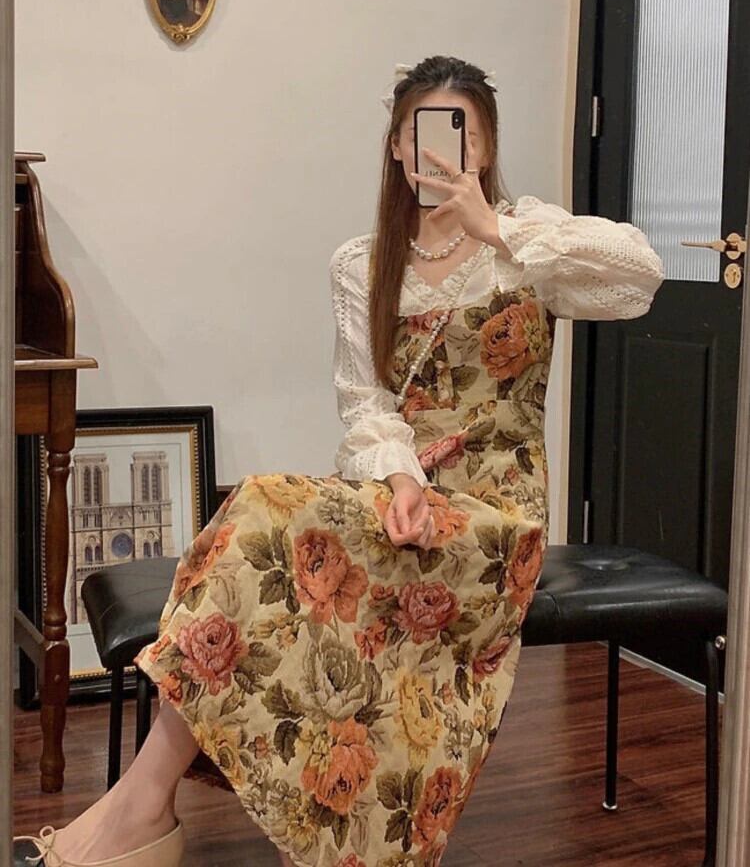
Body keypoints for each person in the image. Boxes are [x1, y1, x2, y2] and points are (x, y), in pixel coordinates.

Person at [14, 54, 665, 867]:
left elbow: (640, 276)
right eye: (423, 134)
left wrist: (496, 228)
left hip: (495, 518)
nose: (442, 153)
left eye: (463, 135)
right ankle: (143, 807)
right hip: (398, 496)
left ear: (486, 148)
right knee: (262, 516)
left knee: (272, 522)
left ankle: (139, 813)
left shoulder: (526, 244)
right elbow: (365, 403)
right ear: (396, 146)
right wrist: (402, 480)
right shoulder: (362, 262)